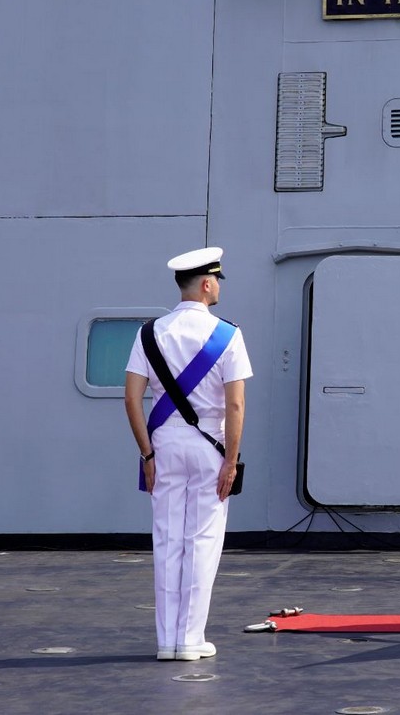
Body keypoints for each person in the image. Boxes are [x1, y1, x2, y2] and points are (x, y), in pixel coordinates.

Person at [124, 247, 253, 660]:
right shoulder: (228, 335)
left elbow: (131, 398)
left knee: (167, 540)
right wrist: (230, 462)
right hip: (210, 447)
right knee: (203, 541)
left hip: (163, 445)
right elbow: (235, 405)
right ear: (207, 284)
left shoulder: (149, 333)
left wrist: (147, 455)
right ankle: (190, 639)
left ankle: (166, 642)